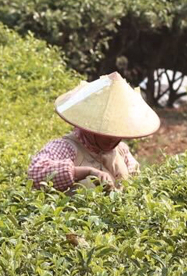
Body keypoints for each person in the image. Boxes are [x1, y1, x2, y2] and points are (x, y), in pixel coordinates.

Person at [28, 71, 160, 192]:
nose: (113, 139)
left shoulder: (122, 150)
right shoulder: (66, 147)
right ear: (91, 128)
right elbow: (35, 173)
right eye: (106, 133)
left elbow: (137, 181)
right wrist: (87, 172)